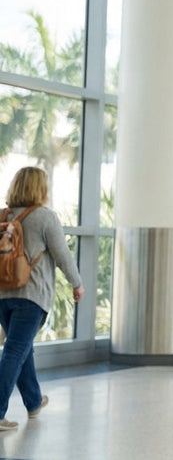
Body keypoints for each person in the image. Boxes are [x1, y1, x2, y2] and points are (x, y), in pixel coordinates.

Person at [0, 167, 84, 431]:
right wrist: (77, 283)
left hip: (2, 295)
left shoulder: (3, 216)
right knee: (15, 350)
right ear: (40, 188)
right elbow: (62, 255)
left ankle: (34, 401)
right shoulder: (45, 217)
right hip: (31, 295)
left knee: (22, 348)